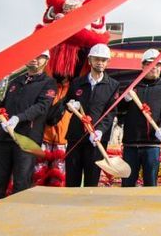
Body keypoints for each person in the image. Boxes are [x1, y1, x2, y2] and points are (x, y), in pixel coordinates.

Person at [0, 51, 56, 203]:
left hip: (26, 140)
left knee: (21, 185)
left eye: (40, 57)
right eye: (33, 55)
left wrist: (19, 117)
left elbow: (42, 106)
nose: (34, 59)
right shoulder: (15, 81)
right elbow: (5, 105)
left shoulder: (48, 83)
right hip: (4, 139)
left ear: (46, 60)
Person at [50, 43, 119, 187]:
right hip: (75, 137)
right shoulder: (77, 83)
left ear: (107, 62)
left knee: (91, 181)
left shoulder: (113, 85)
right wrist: (70, 106)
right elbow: (66, 103)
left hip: (97, 140)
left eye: (103, 60)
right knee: (72, 181)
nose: (100, 62)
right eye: (96, 59)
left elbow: (111, 112)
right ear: (90, 60)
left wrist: (100, 131)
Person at [118, 48, 161, 187]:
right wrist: (125, 100)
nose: (154, 68)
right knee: (128, 184)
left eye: (157, 65)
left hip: (152, 144)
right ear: (142, 66)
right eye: (150, 64)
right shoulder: (132, 86)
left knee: (150, 185)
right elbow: (119, 111)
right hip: (131, 143)